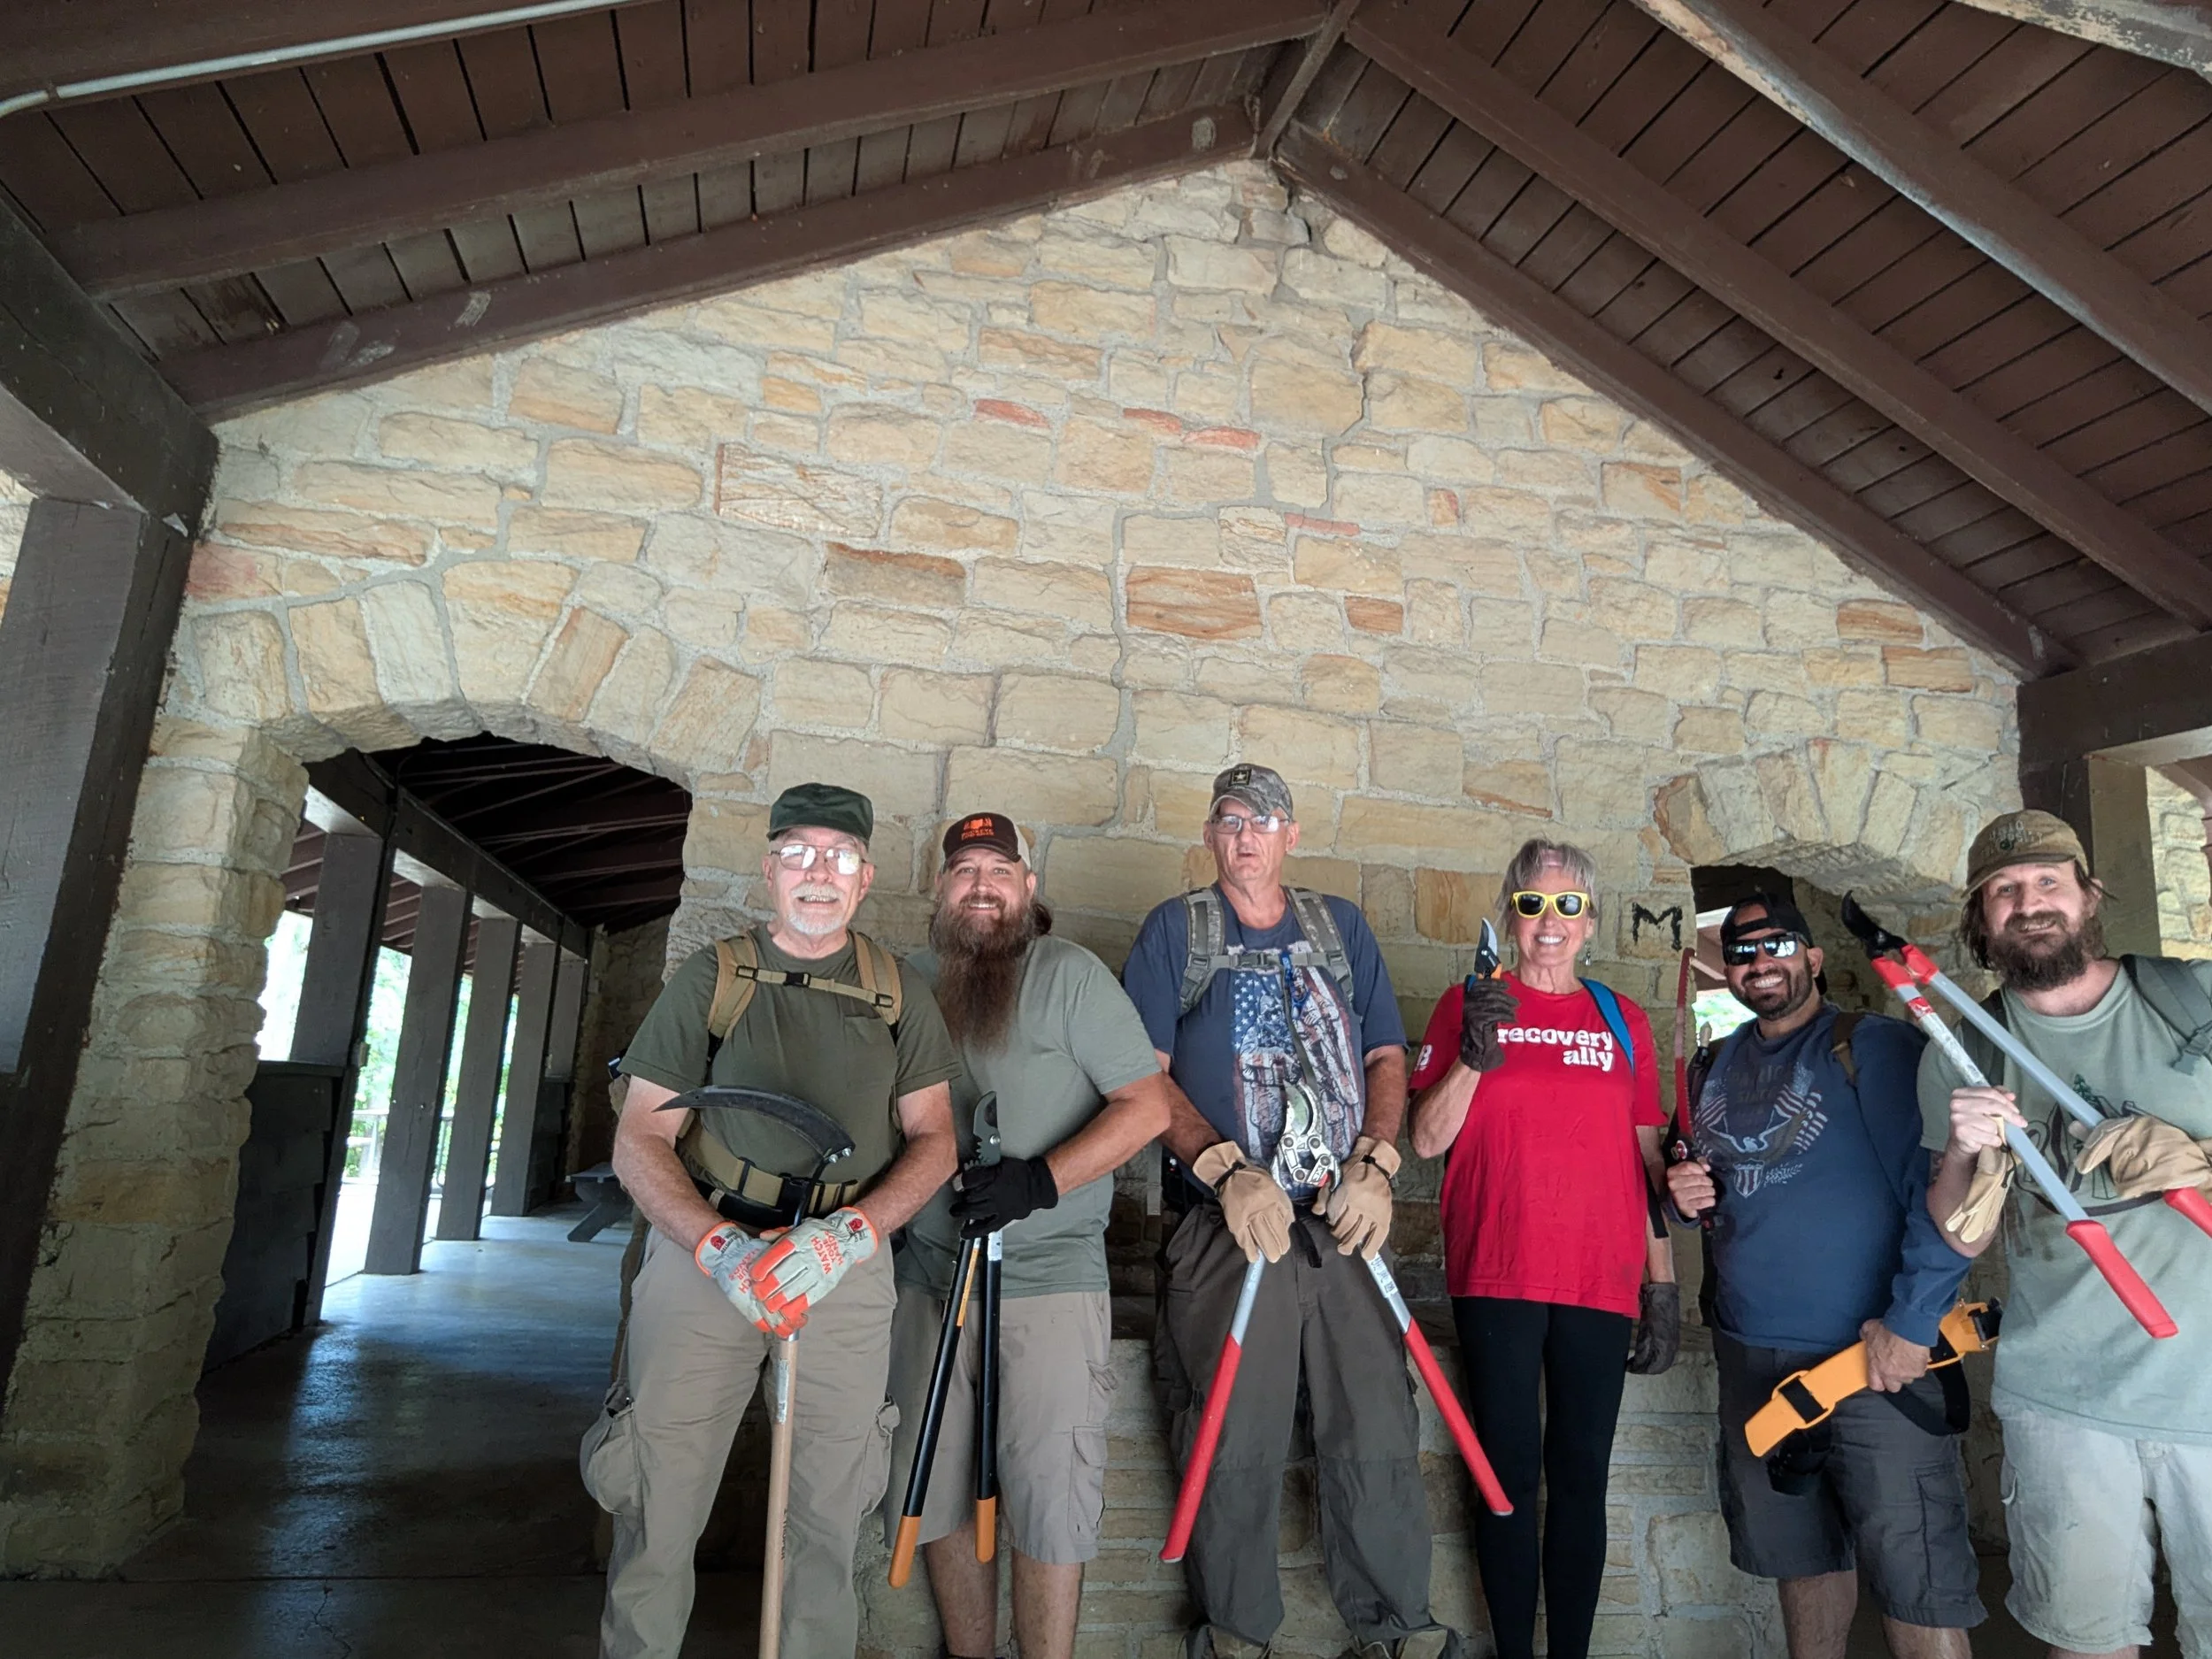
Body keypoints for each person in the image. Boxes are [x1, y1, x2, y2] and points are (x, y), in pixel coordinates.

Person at [584, 783, 962, 1659]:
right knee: (658, 1504)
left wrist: (851, 1235)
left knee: (828, 1517)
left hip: (840, 1267)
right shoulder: (711, 976)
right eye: (800, 853)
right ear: (770, 870)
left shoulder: (896, 991)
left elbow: (935, 1139)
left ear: (864, 878)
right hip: (706, 1248)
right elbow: (641, 1134)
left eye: (838, 857)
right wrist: (714, 1247)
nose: (818, 873)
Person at [1121, 764, 1455, 1659]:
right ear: (1209, 833)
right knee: (1232, 1427)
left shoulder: (1336, 927)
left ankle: (1395, 1631)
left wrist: (1378, 1166)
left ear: (1291, 833)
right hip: (1229, 1226)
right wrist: (1225, 1170)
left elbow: (1387, 1053)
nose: (1246, 836)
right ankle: (1235, 1635)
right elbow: (1140, 1079)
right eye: (1230, 820)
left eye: (1263, 820)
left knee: (1376, 1419)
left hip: (1340, 1221)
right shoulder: (1175, 932)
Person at [1923, 809, 2212, 1659]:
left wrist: (2198, 1161)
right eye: (2005, 891)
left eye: (2050, 882)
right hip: (2065, 1402)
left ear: (2089, 896)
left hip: (2208, 1392)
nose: (2030, 902)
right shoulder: (1962, 1048)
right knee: (2085, 1643)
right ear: (1983, 920)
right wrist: (1965, 1152)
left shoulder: (2191, 998)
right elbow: (1958, 1238)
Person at [882, 811, 1172, 1659]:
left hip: (1048, 1275)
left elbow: (1147, 1107)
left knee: (1051, 1495)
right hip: (931, 1277)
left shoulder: (1072, 977)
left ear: (1028, 887)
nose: (981, 885)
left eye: (998, 870)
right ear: (941, 888)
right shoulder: (907, 983)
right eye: (965, 869)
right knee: (932, 1484)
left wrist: (1038, 1180)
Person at [1667, 895, 1980, 1659]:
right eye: (1742, 952)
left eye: (1777, 945)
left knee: (1918, 1577)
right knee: (1802, 1564)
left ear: (1812, 957)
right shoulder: (1714, 1064)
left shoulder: (1873, 1049)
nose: (1759, 962)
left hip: (1875, 1365)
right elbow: (1710, 1197)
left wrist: (1910, 1324)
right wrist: (1683, 1197)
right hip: (1756, 1359)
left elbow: (1948, 1198)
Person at [1405, 839, 1671, 1659]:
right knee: (1506, 1481)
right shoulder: (1468, 1004)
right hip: (1499, 1270)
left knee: (1582, 1478)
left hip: (1600, 1276)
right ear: (1510, 914)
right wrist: (1475, 1061)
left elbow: (1650, 1159)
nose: (1547, 924)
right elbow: (1424, 1139)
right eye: (1531, 905)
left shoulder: (1622, 1019)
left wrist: (1661, 1284)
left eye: (1567, 906)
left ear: (1589, 921)